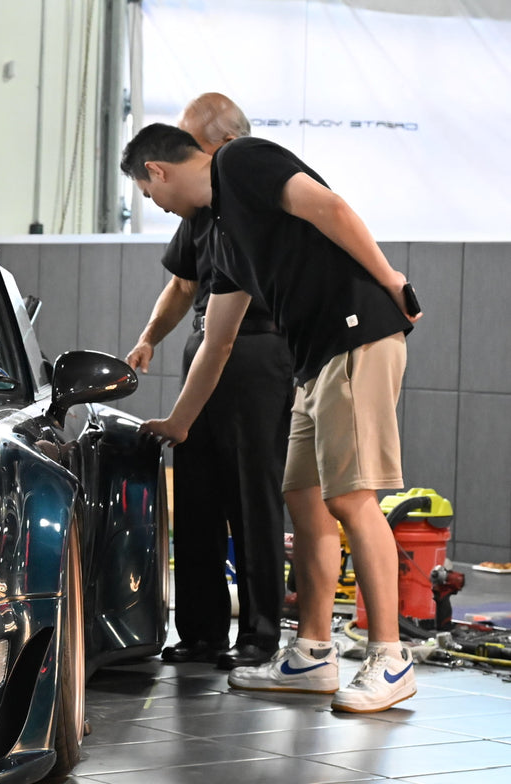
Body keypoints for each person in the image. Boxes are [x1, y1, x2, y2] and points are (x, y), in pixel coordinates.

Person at [119, 122, 421, 713]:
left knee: (352, 498)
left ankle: (391, 657)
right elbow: (217, 341)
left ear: (157, 170)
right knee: (304, 497)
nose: (157, 205)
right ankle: (313, 653)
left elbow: (327, 205)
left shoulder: (240, 161)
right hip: (312, 360)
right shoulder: (223, 235)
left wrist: (389, 279)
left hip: (355, 337)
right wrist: (180, 423)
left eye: (150, 194)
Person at [126, 93, 293, 670]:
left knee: (253, 498)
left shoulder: (257, 202)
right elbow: (181, 286)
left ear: (222, 146)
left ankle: (260, 634)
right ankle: (199, 631)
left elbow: (229, 329)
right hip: (206, 353)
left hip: (258, 353)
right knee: (196, 496)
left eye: (196, 144)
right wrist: (150, 336)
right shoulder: (199, 212)